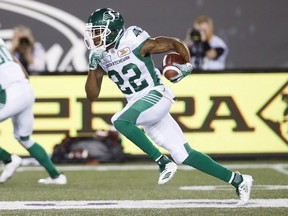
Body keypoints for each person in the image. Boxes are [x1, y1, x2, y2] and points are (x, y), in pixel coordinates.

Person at [84, 8, 253, 206]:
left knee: (120, 121)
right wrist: (92, 68)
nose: (94, 36)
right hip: (140, 105)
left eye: (98, 31)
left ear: (112, 31)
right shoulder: (100, 56)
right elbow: (92, 95)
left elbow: (173, 43)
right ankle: (239, 181)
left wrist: (186, 64)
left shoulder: (133, 41)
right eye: (93, 31)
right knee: (184, 154)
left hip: (155, 95)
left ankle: (163, 162)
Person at [0, 36, 67, 185]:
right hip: (24, 87)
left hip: (10, 92)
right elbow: (13, 60)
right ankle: (56, 177)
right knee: (24, 138)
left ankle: (8, 159)